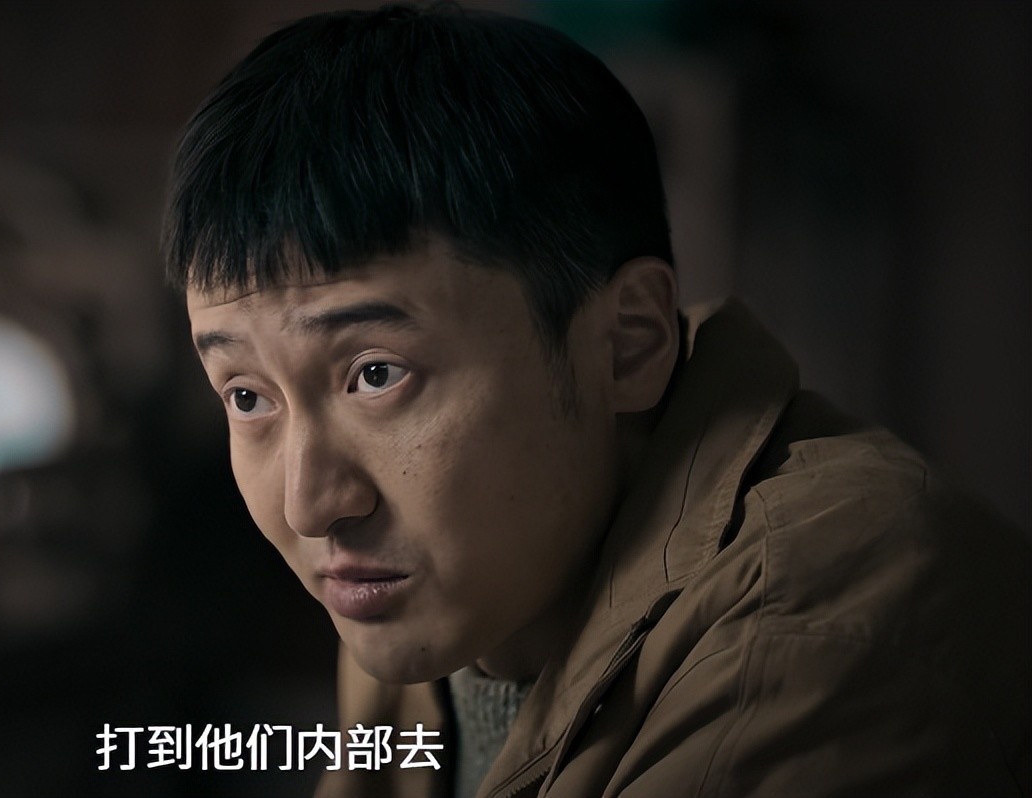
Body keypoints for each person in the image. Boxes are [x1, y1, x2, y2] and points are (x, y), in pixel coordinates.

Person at [163, 3, 1032, 796]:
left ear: (628, 344)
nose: (311, 504)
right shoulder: (431, 592)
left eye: (376, 375)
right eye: (248, 395)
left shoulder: (814, 626)